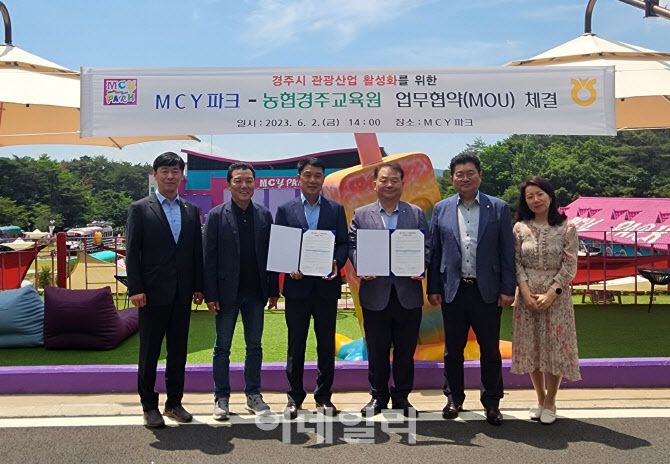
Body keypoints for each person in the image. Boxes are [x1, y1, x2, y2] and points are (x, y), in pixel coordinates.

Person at [427, 152, 515, 426]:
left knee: (490, 349)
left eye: (470, 173)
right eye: (459, 174)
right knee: (453, 349)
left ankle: (492, 402)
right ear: (452, 178)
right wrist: (433, 286)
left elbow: (507, 252)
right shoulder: (441, 209)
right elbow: (434, 250)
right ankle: (454, 398)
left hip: (487, 290)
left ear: (480, 176)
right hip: (453, 290)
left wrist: (507, 288)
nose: (465, 178)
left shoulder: (498, 208)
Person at [125, 152, 204, 428]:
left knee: (178, 351)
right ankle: (149, 406)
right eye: (165, 171)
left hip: (182, 293)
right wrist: (136, 288)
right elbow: (132, 252)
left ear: (182, 176)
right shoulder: (140, 208)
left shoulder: (191, 210)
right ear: (155, 174)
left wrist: (198, 286)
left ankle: (174, 403)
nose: (170, 176)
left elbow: (196, 251)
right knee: (149, 351)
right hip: (151, 293)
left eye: (175, 171)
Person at [349, 162, 428, 417]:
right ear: (374, 184)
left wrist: (422, 265)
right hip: (375, 293)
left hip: (408, 293)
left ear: (403, 184)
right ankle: (378, 395)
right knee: (377, 350)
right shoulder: (362, 214)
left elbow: (427, 246)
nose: (389, 184)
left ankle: (402, 396)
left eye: (394, 180)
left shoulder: (415, 214)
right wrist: (361, 264)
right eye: (384, 180)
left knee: (406, 350)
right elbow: (353, 245)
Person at [203, 162, 279, 420]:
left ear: (254, 184)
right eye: (238, 181)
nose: (244, 185)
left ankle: (253, 395)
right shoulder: (216, 215)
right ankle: (221, 397)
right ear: (229, 184)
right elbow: (208, 257)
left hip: (255, 293)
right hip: (226, 294)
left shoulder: (264, 215)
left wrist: (273, 290)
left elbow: (272, 255)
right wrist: (211, 294)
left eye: (248, 181)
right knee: (222, 347)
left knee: (254, 346)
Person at [274, 157, 348, 419]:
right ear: (299, 178)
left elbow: (343, 244)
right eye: (308, 175)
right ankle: (294, 398)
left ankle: (324, 397)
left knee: (326, 344)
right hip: (297, 287)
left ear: (323, 179)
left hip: (326, 287)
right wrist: (289, 265)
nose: (313, 180)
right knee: (296, 344)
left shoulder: (335, 209)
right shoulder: (286, 210)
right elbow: (281, 244)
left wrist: (336, 262)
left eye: (317, 175)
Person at [511, 176, 581, 425]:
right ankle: (540, 398)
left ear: (550, 196)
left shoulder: (567, 227)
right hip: (527, 297)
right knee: (532, 346)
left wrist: (551, 294)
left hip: (557, 298)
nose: (535, 200)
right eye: (530, 196)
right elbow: (516, 262)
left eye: (540, 194)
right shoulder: (520, 228)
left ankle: (551, 400)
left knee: (554, 347)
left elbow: (570, 265)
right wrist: (525, 292)